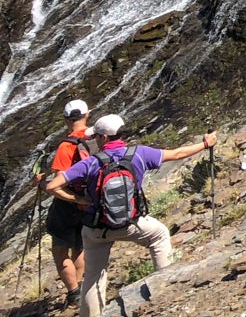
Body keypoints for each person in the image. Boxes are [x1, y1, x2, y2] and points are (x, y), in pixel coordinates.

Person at [42, 115, 217, 317]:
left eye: (96, 137)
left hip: (97, 229)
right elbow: (177, 154)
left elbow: (52, 186)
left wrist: (79, 200)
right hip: (131, 223)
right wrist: (205, 144)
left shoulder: (90, 163)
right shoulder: (140, 153)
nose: (94, 140)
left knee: (93, 277)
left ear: (104, 138)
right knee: (159, 235)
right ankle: (164, 287)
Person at [34, 99, 94, 304]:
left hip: (68, 206)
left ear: (66, 119)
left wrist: (43, 184)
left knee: (60, 250)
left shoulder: (67, 146)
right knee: (80, 246)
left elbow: (59, 183)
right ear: (88, 114)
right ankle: (82, 287)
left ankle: (74, 292)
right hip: (92, 202)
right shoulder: (98, 137)